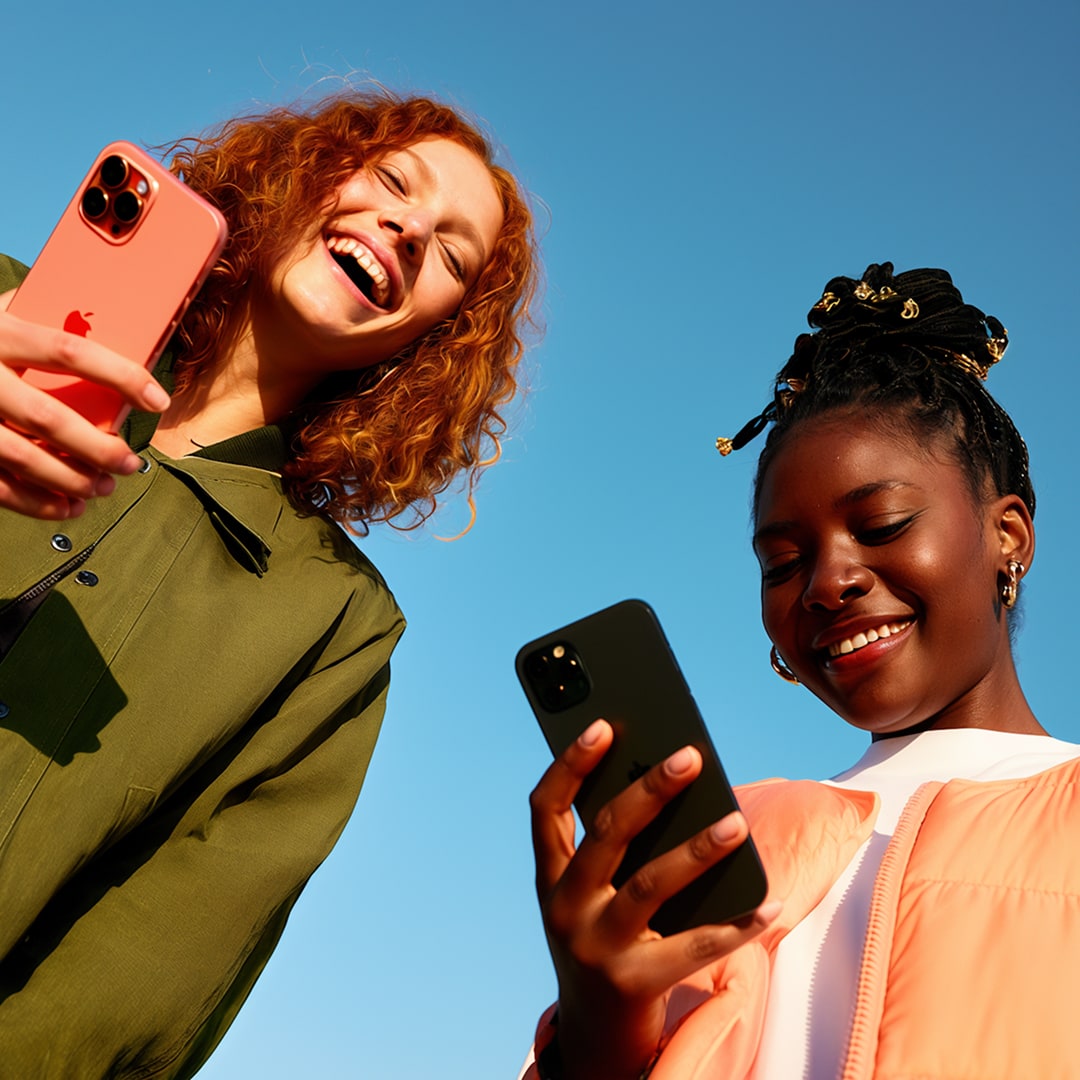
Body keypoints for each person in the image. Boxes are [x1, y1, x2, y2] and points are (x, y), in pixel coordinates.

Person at [0, 91, 537, 1076]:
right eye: (389, 180)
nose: (410, 228)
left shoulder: (337, 625)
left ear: (430, 345)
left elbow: (151, 967)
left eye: (453, 255)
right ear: (300, 172)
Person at [524, 262, 1080, 1080]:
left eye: (882, 523)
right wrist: (595, 1028)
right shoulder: (724, 842)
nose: (827, 582)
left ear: (1009, 538)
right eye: (783, 562)